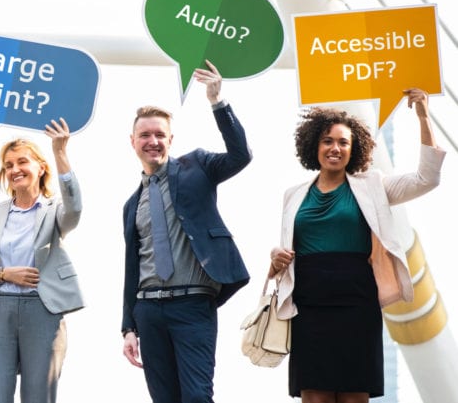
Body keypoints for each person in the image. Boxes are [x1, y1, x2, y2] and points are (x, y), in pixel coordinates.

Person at [269, 88, 445, 403]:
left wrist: (423, 116)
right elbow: (286, 247)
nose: (335, 148)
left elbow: (426, 179)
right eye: (328, 141)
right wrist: (275, 255)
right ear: (314, 145)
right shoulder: (293, 195)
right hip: (309, 305)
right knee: (315, 396)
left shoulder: (373, 186)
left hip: (357, 303)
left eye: (343, 142)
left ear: (354, 149)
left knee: (354, 397)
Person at [121, 59, 253, 403]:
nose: (153, 141)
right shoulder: (131, 205)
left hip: (193, 304)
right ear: (133, 142)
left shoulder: (197, 167)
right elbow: (132, 267)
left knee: (196, 396)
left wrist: (216, 101)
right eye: (145, 135)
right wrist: (128, 326)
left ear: (170, 139)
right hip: (148, 311)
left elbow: (240, 155)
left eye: (159, 135)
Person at [0, 118, 83, 403]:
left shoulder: (55, 211)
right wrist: (4, 274)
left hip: (43, 309)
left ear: (40, 167)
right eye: (8, 165)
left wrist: (60, 153)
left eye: (22, 162)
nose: (15, 169)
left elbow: (74, 208)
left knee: (39, 398)